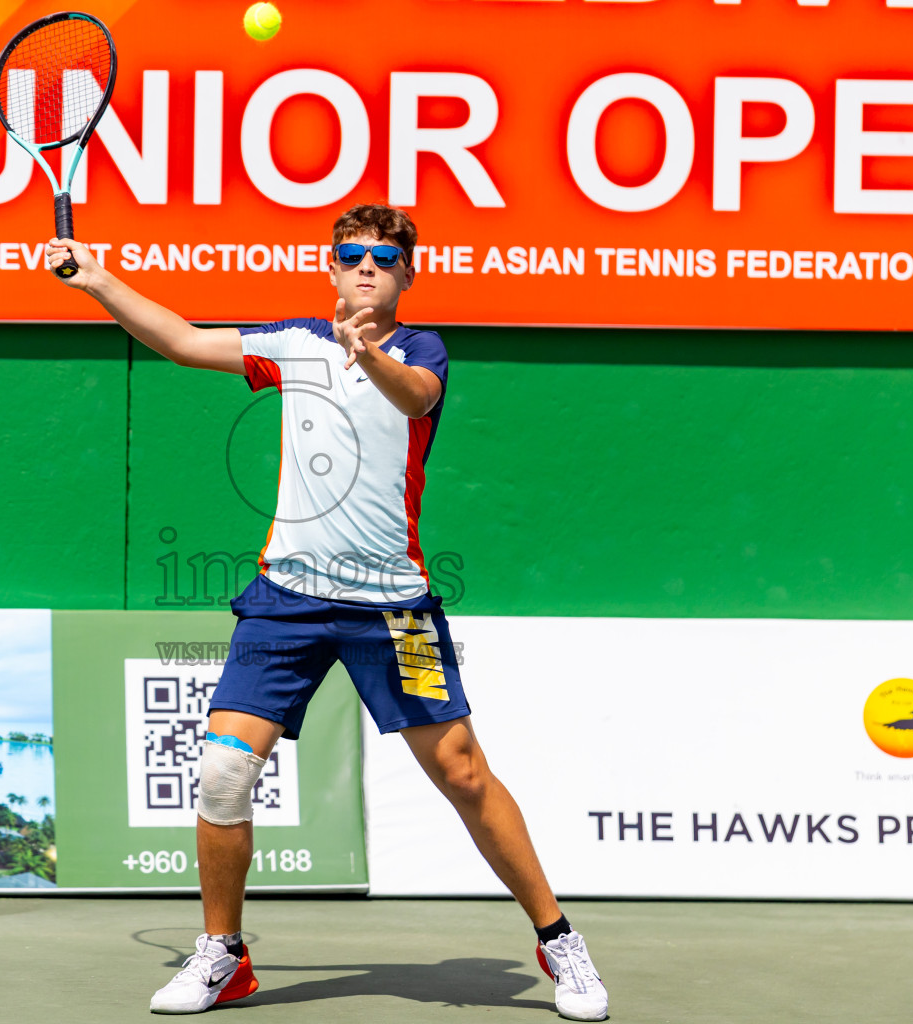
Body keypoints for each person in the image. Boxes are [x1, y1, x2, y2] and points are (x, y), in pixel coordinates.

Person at [45, 203, 608, 1021]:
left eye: (386, 256)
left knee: (462, 772)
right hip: (287, 604)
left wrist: (366, 352)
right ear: (332, 267)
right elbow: (181, 340)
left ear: (407, 274)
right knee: (223, 770)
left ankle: (559, 941)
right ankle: (223, 956)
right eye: (354, 254)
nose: (369, 265)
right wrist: (97, 280)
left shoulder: (421, 351)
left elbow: (414, 400)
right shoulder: (293, 343)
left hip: (395, 609)